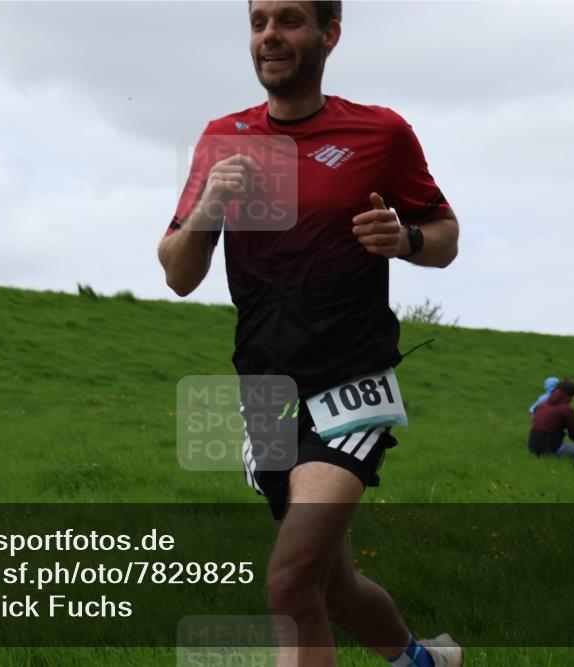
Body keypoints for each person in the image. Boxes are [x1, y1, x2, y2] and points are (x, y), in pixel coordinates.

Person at [158, 2, 462, 665]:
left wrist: (406, 239)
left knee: (290, 580)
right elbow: (178, 273)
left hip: (351, 385)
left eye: (289, 20)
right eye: (259, 22)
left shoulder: (380, 133)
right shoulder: (223, 138)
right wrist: (210, 205)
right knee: (331, 584)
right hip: (267, 395)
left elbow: (446, 235)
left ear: (330, 34)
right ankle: (426, 661)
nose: (270, 35)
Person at [529, 379, 574, 457]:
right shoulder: (566, 409)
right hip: (551, 449)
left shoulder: (541, 405)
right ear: (570, 396)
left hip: (533, 447)